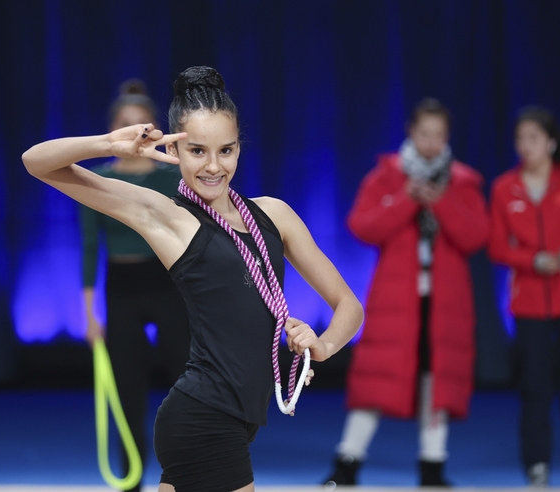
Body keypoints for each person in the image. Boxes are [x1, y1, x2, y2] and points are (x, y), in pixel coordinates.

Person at [23, 66, 364, 492]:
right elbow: (35, 163)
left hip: (242, 418)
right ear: (177, 151)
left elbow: (349, 306)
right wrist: (109, 144)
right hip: (203, 415)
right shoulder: (168, 217)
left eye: (226, 150)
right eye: (198, 151)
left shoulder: (275, 215)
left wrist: (323, 344)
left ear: (240, 148)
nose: (213, 166)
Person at [323, 98, 489, 487]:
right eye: (424, 133)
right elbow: (363, 225)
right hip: (397, 299)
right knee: (376, 378)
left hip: (445, 301)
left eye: (439, 134)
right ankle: (347, 463)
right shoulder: (387, 176)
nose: (432, 142)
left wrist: (441, 203)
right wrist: (406, 200)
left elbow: (476, 236)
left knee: (438, 378)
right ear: (411, 133)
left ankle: (433, 466)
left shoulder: (463, 181)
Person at [78, 79, 191, 492]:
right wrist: (90, 315)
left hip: (168, 287)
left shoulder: (172, 177)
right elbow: (90, 247)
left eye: (144, 124)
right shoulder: (97, 179)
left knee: (186, 386)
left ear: (156, 129)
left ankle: (185, 475)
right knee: (127, 395)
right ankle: (131, 481)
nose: (137, 133)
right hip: (121, 290)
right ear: (113, 132)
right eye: (127, 125)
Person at [488, 107, 560, 487]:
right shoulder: (505, 187)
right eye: (520, 139)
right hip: (528, 302)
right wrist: (534, 260)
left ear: (551, 142)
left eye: (534, 138)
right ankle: (537, 466)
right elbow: (496, 246)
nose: (526, 146)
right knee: (535, 388)